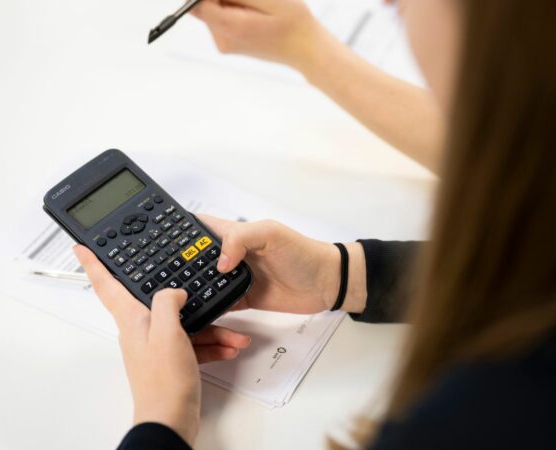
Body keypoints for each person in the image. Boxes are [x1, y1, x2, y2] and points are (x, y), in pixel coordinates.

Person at [73, 0, 556, 448]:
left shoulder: (484, 412)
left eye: (404, 5)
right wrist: (345, 275)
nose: (392, 6)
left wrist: (163, 420)